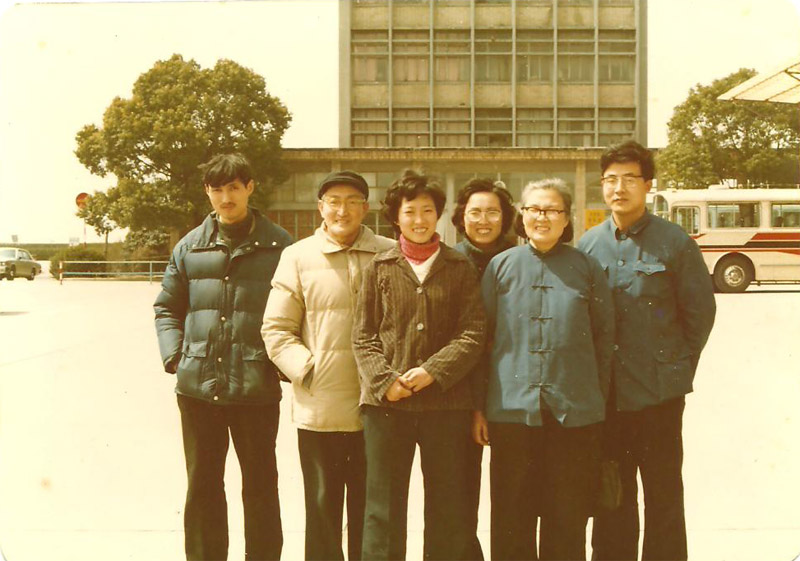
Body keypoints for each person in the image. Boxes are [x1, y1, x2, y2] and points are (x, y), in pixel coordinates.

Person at [578, 140, 716, 561]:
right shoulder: (588, 245)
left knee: (663, 495)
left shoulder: (674, 242)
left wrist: (675, 367)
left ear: (648, 184)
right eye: (610, 180)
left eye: (629, 179)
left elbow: (699, 314)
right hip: (608, 397)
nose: (619, 188)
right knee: (612, 495)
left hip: (659, 396)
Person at [154, 153, 291, 561]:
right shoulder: (189, 246)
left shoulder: (280, 246)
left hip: (255, 388)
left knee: (261, 486)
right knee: (203, 485)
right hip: (198, 390)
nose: (226, 197)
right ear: (207, 192)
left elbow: (298, 311)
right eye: (217, 189)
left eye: (234, 188)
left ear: (250, 188)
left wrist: (280, 363)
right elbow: (167, 308)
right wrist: (177, 356)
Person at [352, 170, 486, 561]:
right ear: (396, 217)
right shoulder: (379, 267)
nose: (419, 219)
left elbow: (473, 333)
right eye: (410, 211)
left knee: (448, 506)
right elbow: (362, 336)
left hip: (447, 406)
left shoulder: (459, 267)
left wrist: (433, 372)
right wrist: (385, 382)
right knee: (382, 507)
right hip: (387, 407)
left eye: (427, 210)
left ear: (438, 215)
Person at [261, 171, 394, 561]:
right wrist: (308, 370)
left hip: (379, 407)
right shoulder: (297, 256)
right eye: (334, 201)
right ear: (320, 207)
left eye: (352, 201)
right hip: (320, 408)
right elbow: (276, 329)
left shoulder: (389, 252)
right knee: (322, 511)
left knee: (374, 511)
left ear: (365, 208)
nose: (342, 210)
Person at [481, 178, 615, 561]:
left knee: (567, 519)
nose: (542, 217)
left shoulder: (587, 267)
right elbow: (483, 341)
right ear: (521, 215)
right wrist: (480, 406)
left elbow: (604, 339)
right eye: (534, 209)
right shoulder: (500, 266)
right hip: (512, 413)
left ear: (566, 218)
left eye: (552, 210)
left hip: (573, 416)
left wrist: (594, 402)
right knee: (511, 519)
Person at [450, 177, 517, 560]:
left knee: (513, 494)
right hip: (460, 391)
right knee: (459, 495)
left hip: (511, 388)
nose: (484, 220)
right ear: (462, 217)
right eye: (475, 212)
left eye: (493, 212)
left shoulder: (522, 259)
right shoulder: (449, 261)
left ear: (505, 217)